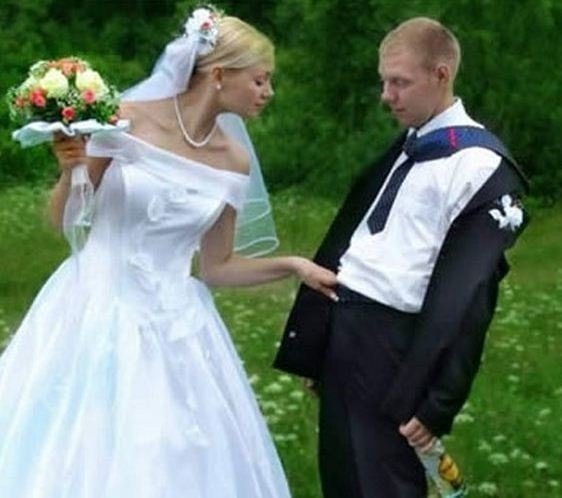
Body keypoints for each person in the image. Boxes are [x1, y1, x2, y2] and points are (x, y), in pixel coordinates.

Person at [0, 7, 337, 497]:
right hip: (94, 306)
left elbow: (218, 267)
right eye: (260, 79)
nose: (268, 92)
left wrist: (292, 265)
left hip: (178, 326)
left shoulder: (234, 161)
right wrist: (72, 167)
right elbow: (63, 219)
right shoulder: (125, 121)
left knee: (169, 451)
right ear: (219, 75)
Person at [275, 17, 528, 497]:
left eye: (399, 82)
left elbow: (472, 294)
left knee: (384, 484)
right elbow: (351, 242)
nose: (386, 96)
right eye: (384, 82)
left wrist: (439, 401)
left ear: (441, 74)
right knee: (344, 480)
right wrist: (319, 339)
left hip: (394, 349)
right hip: (345, 331)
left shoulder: (480, 167)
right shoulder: (409, 145)